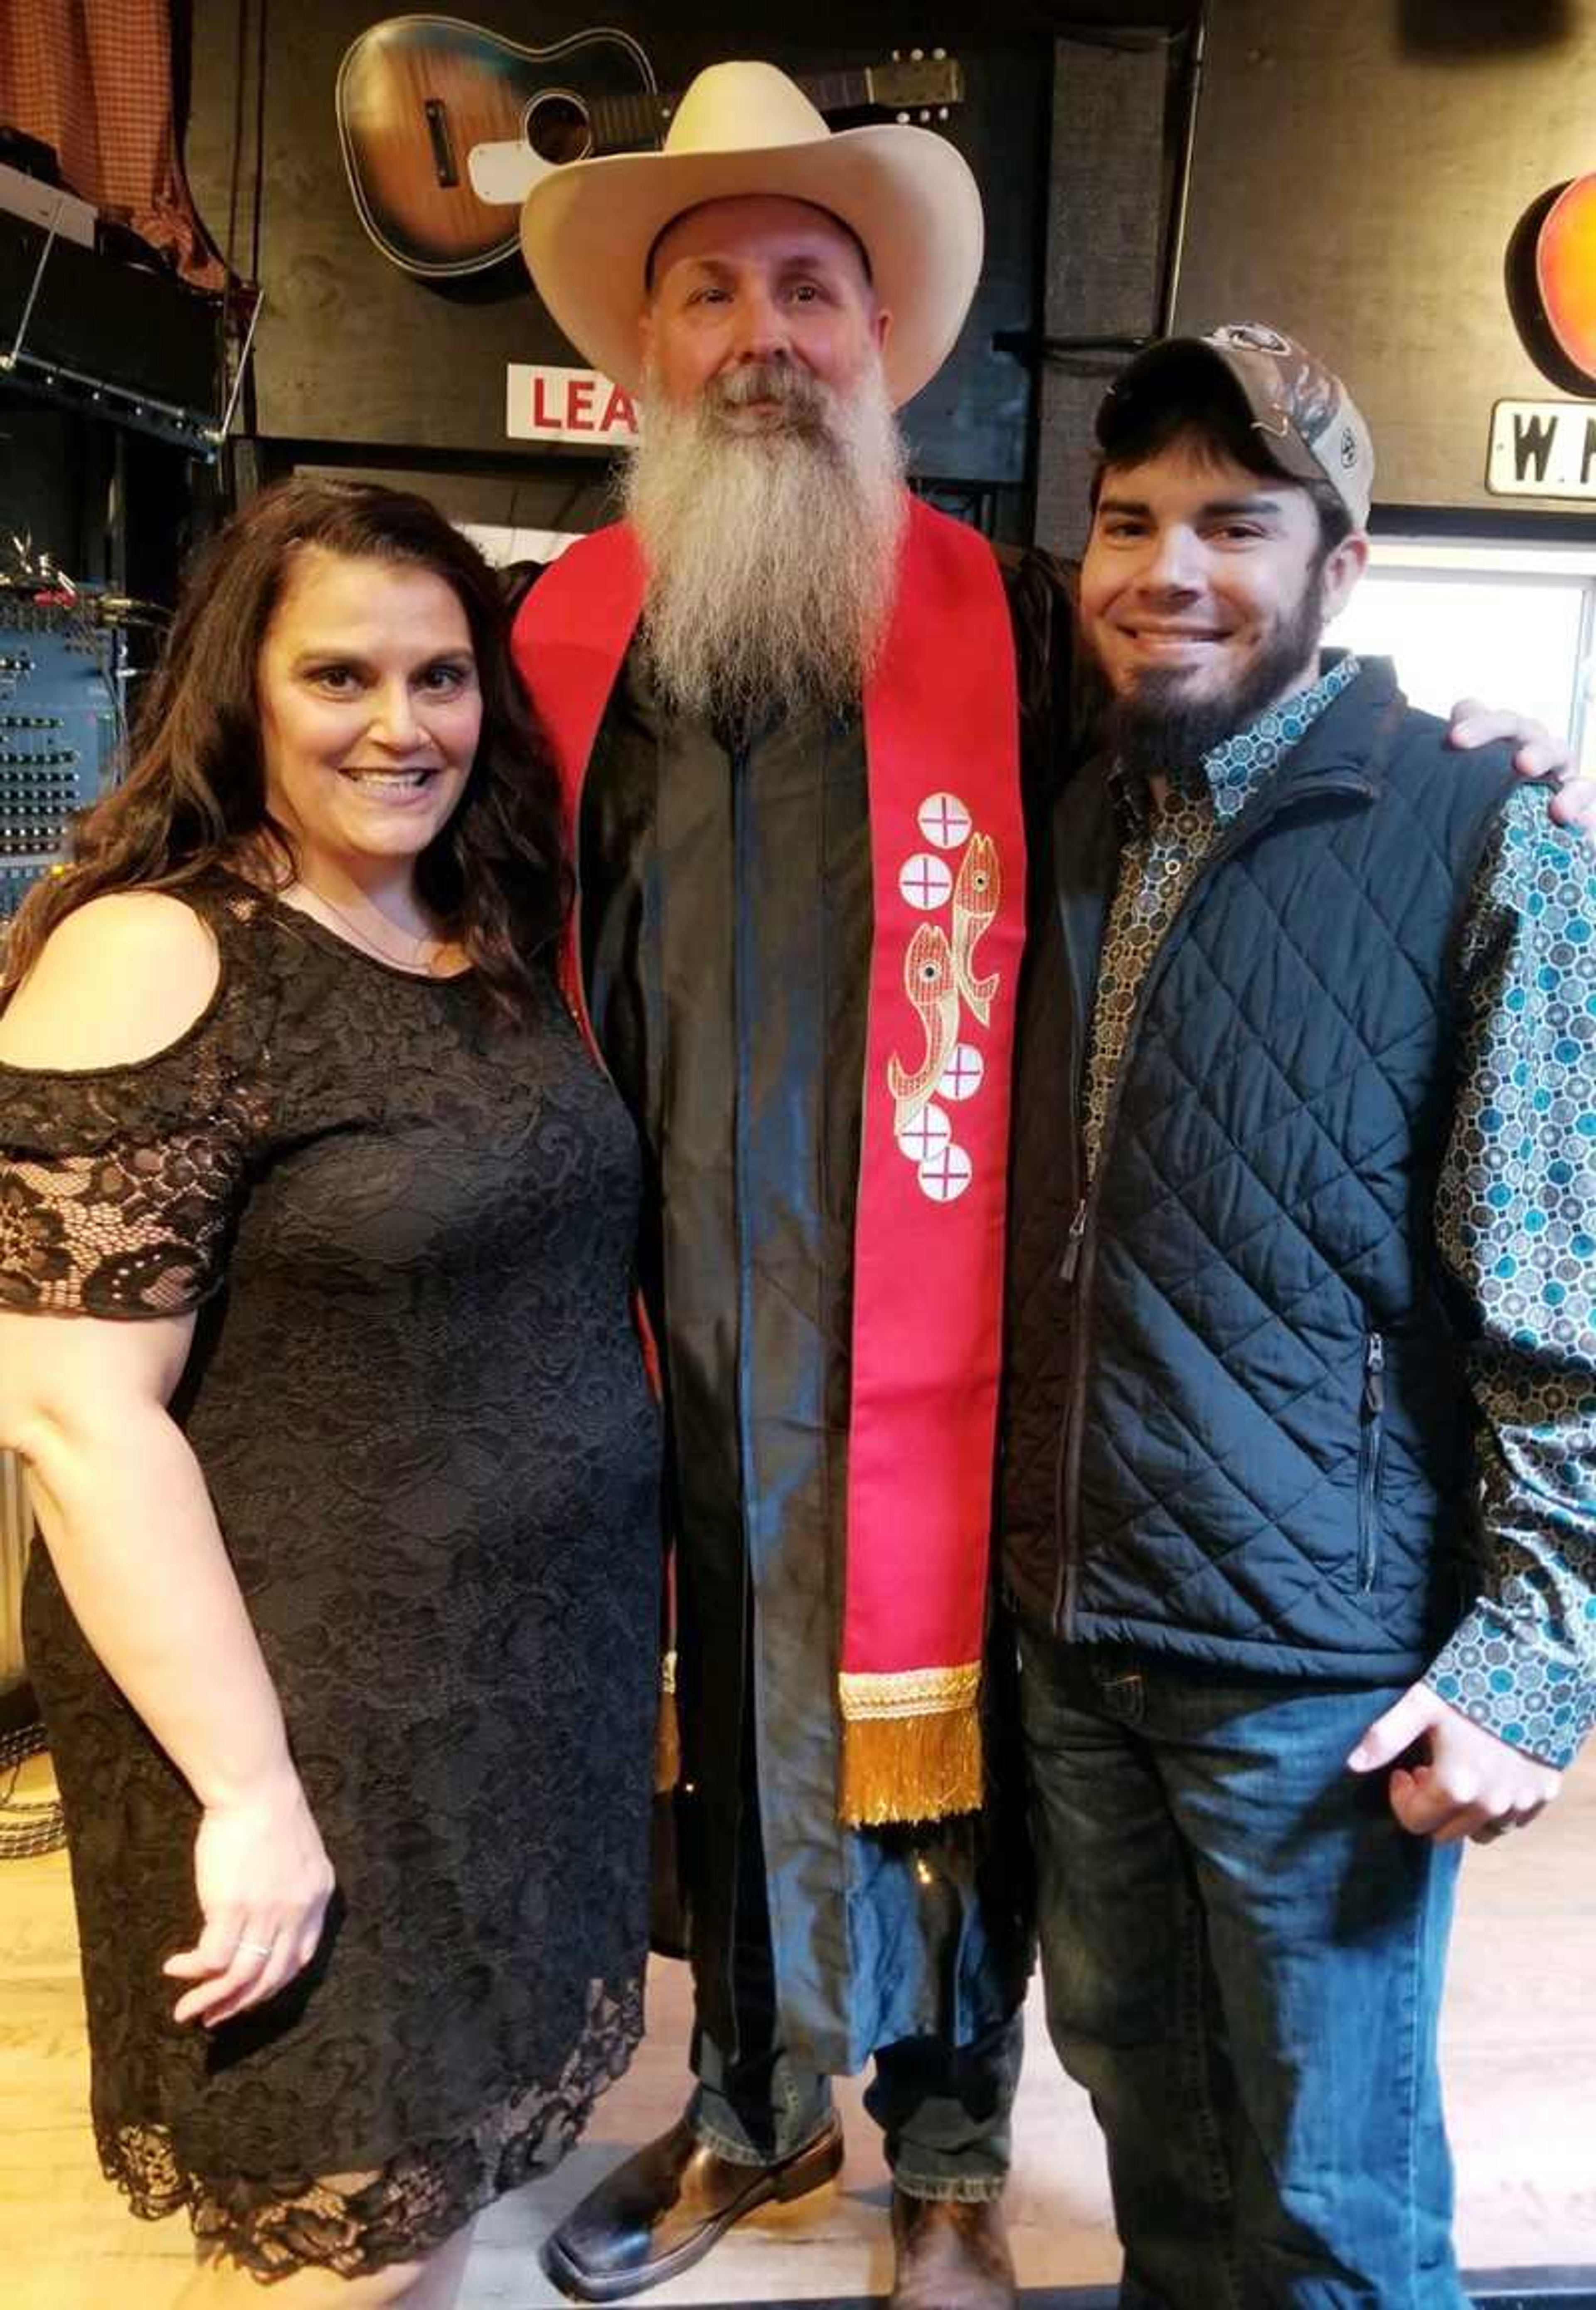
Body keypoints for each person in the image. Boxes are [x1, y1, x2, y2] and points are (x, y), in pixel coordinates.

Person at [506, 61, 1579, 2310]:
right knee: (727, 1742)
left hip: (971, 1345)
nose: (766, 334)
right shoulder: (563, 641)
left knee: (955, 1765)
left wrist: (1486, 740)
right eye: (716, 290)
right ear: (649, 348)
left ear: (881, 336)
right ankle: (745, 2109)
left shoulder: (1009, 618)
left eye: (814, 285)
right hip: (673, 1334)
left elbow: (1255, 748)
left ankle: (955, 2144)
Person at [0, 479, 662, 2308]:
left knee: (424, 2207)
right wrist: (246, 1790)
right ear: (243, 690)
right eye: (340, 675)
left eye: (441, 675)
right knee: (335, 2245)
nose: (402, 723)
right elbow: (72, 1416)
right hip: (300, 1721)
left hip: (505, 1707)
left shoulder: (475, 933)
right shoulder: (160, 951)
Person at [1000, 322, 1596, 2306]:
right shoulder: (1077, 811)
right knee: (1149, 2131)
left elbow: (1557, 1283)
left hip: (1316, 1667)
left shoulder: (1482, 823)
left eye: (1235, 523)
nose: (1169, 566)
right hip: (1086, 1635)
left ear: (1343, 565)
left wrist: (1537, 1657)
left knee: (1336, 2196)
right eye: (1129, 520)